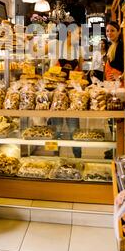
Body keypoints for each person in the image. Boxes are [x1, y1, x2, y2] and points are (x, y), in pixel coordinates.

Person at [48, 21, 83, 158]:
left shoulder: (79, 50)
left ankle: (78, 158)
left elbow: (81, 72)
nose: (80, 36)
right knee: (56, 129)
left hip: (73, 96)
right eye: (78, 33)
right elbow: (51, 72)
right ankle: (55, 157)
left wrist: (78, 79)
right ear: (69, 32)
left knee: (74, 129)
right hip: (58, 94)